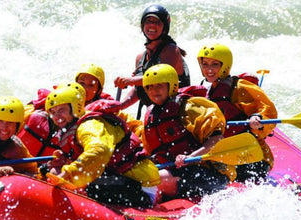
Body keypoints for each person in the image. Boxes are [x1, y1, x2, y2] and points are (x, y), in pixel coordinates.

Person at [44, 85, 160, 208]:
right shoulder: (72, 127)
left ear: (74, 108)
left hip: (141, 186)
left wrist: (67, 173)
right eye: (53, 112)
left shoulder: (89, 125)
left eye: (61, 110)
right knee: (48, 170)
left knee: (88, 187)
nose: (56, 117)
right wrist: (65, 160)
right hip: (119, 179)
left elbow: (100, 151)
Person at [141, 64, 233, 199]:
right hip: (175, 171)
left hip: (208, 173)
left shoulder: (189, 108)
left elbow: (217, 139)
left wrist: (191, 157)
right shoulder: (151, 115)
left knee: (156, 178)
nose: (154, 91)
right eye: (150, 87)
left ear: (171, 86)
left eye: (159, 85)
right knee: (143, 176)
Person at [197, 43, 277, 182]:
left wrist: (257, 119)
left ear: (225, 66)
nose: (209, 69)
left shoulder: (239, 87)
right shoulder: (204, 90)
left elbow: (269, 112)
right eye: (205, 64)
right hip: (222, 155)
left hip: (251, 156)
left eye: (215, 64)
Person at [114, 4, 190, 114]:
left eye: (157, 22)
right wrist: (119, 106)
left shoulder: (171, 50)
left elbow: (160, 78)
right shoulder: (140, 58)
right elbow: (138, 89)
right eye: (148, 21)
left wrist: (130, 80)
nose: (152, 25)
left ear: (164, 27)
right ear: (142, 25)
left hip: (177, 113)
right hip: (157, 116)